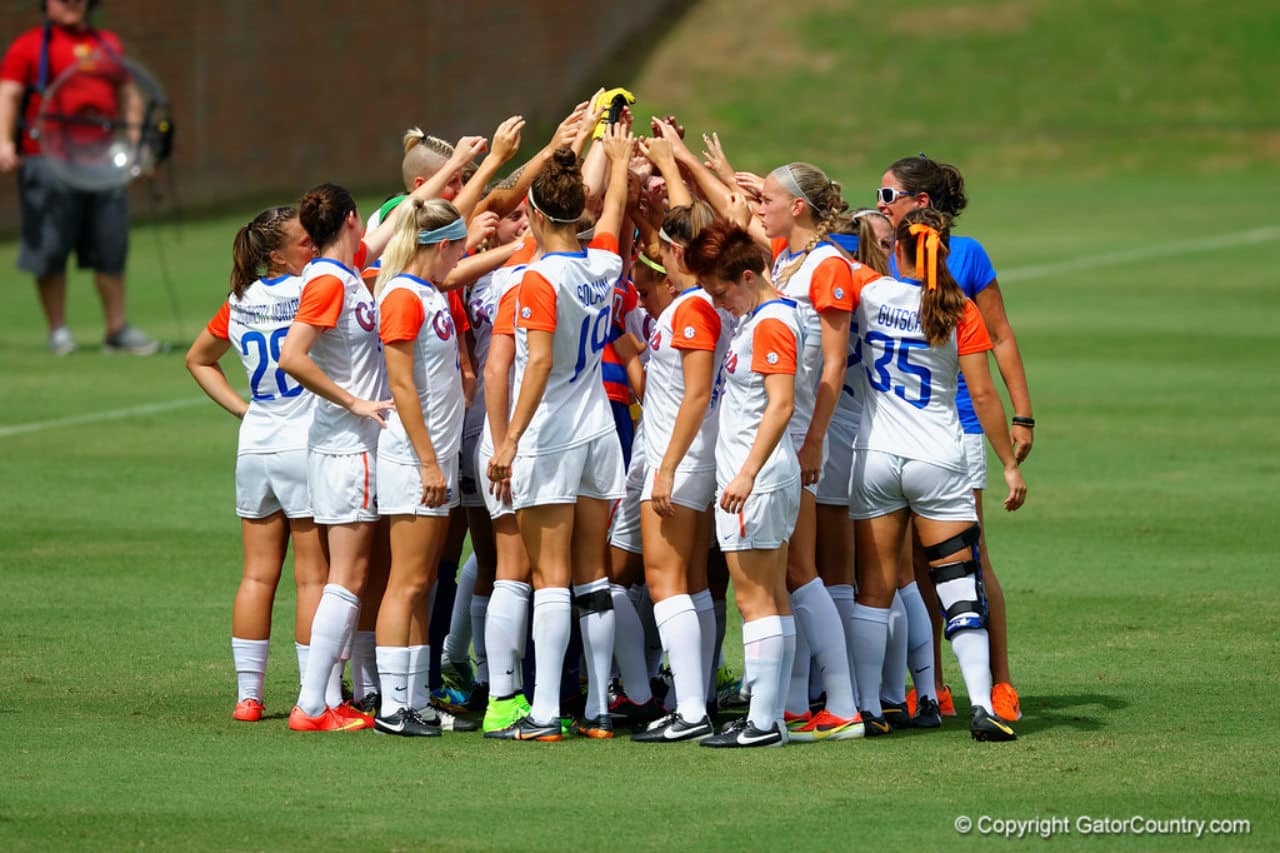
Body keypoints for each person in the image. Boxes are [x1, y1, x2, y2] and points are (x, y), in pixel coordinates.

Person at [278, 147, 479, 734]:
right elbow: (295, 355)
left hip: (362, 444)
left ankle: (368, 696)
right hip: (346, 444)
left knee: (368, 575)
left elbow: (413, 215)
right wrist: (355, 401)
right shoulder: (329, 282)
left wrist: (467, 166)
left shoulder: (349, 268)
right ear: (350, 221)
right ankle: (314, 702)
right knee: (350, 576)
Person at [848, 207, 1026, 741]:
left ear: (895, 249)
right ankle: (982, 705)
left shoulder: (870, 292)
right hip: (938, 461)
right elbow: (984, 394)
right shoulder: (958, 310)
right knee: (957, 586)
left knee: (875, 589)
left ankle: (864, 708)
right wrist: (1010, 465)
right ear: (945, 251)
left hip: (875, 456)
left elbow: (826, 250)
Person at [485, 126, 633, 741]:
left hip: (552, 434)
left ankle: (545, 712)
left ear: (534, 214)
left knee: (549, 577)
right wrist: (619, 162)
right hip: (600, 430)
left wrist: (510, 439)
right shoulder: (606, 263)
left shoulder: (540, 280)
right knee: (592, 575)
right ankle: (598, 707)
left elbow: (538, 363)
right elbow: (614, 215)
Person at [184, 205, 326, 721]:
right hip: (302, 444)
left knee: (257, 576)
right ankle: (317, 694)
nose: (314, 248)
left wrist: (244, 410)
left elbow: (199, 359)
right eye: (305, 242)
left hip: (255, 446)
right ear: (277, 256)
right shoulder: (311, 290)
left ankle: (248, 697)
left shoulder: (240, 299)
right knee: (312, 578)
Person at [682, 220, 801, 749]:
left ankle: (760, 722)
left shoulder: (771, 322)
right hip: (761, 477)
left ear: (749, 277)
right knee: (771, 597)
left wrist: (747, 473)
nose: (721, 303)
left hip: (756, 480)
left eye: (723, 292)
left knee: (757, 600)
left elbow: (782, 404)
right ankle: (770, 716)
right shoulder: (761, 317)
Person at [760, 162, 864, 740]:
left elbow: (832, 361)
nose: (762, 206)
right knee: (788, 570)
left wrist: (814, 438)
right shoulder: (785, 259)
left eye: (770, 198)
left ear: (797, 207)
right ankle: (798, 702)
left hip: (799, 429)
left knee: (801, 570)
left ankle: (844, 703)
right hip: (785, 428)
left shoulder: (826, 266)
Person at [0, 0, 157, 355]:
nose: (71, 2)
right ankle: (58, 331)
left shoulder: (108, 44)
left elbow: (130, 94)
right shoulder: (28, 46)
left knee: (111, 244)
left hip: (101, 157)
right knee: (50, 246)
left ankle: (116, 329)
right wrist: (4, 142)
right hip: (47, 157)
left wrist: (135, 147)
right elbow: (8, 94)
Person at [370, 197, 473, 737]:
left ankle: (414, 699)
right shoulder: (404, 297)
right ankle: (393, 706)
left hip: (434, 460)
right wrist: (430, 463)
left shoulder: (429, 294)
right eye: (457, 248)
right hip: (415, 462)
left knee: (423, 581)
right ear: (438, 245)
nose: (460, 258)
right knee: (406, 584)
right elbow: (402, 384)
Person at [628, 194, 727, 743]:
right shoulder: (704, 304)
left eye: (662, 246)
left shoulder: (692, 310)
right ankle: (695, 699)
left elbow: (693, 396)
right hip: (695, 458)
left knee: (665, 583)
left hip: (681, 460)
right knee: (688, 584)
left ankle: (690, 709)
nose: (655, 254)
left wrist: (664, 468)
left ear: (677, 252)